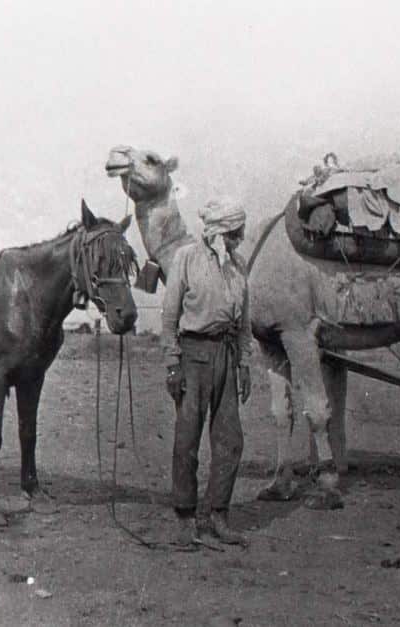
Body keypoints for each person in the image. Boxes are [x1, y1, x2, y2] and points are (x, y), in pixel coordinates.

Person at [161, 199, 253, 548]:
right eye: (232, 234)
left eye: (238, 234)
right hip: (193, 355)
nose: (236, 240)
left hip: (227, 356)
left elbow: (244, 323)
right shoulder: (186, 258)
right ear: (216, 232)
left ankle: (217, 516)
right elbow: (169, 317)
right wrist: (172, 364)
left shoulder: (239, 266)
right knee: (187, 439)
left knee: (230, 440)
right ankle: (185, 518)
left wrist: (244, 364)